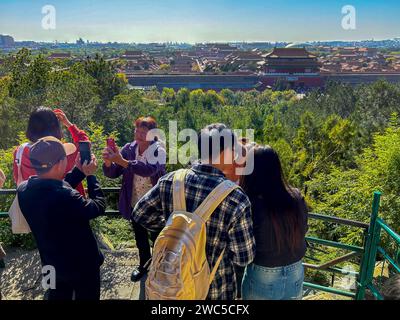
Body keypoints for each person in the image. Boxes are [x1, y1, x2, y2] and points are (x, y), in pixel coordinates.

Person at [132, 123, 255, 300]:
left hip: (172, 284)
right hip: (213, 290)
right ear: (225, 152)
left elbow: (140, 214)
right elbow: (244, 256)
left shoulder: (171, 181)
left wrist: (175, 228)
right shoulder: (235, 198)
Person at [17, 137, 106, 300]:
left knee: (56, 296)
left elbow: (54, 187)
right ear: (59, 163)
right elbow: (98, 206)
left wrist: (78, 171)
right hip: (82, 266)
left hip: (50, 263)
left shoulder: (24, 190)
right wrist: (91, 176)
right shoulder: (66, 196)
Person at [102, 116, 166, 282]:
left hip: (155, 204)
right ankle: (144, 265)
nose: (138, 135)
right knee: (140, 237)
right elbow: (113, 173)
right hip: (135, 201)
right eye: (137, 130)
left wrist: (122, 161)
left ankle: (161, 268)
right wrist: (109, 162)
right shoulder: (129, 149)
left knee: (158, 237)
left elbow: (148, 170)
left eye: (143, 132)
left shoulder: (159, 150)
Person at [241, 146, 308, 300]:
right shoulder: (295, 197)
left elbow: (245, 245)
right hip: (295, 269)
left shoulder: (251, 203)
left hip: (263, 271)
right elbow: (304, 228)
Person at [13, 107, 89, 195]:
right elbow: (84, 144)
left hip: (32, 205)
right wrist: (68, 124)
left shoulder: (19, 152)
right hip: (67, 204)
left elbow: (17, 178)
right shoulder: (64, 151)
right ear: (55, 127)